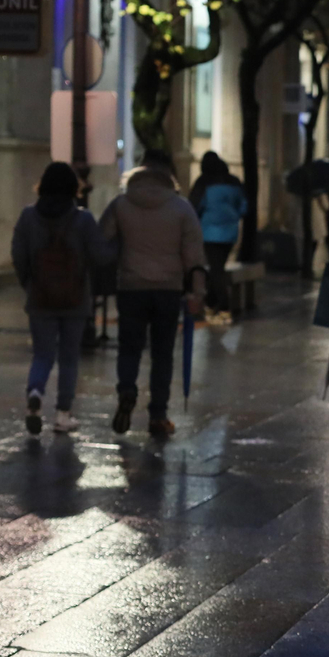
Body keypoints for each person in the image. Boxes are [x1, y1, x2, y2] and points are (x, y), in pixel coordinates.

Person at [101, 148, 207, 439]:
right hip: (168, 291)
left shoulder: (121, 204)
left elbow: (102, 241)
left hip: (131, 287)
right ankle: (158, 416)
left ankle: (126, 391)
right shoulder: (182, 208)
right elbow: (194, 256)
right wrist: (197, 293)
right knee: (162, 354)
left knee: (129, 347)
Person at [10, 161, 115, 435]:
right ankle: (63, 414)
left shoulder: (28, 217)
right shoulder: (83, 220)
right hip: (75, 298)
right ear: (73, 188)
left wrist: (30, 284)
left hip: (40, 297)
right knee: (69, 357)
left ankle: (35, 393)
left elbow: (18, 256)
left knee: (42, 354)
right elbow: (101, 257)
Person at [188, 151, 245, 327]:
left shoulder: (203, 183)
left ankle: (225, 310)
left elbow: (194, 206)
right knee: (216, 268)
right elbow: (244, 205)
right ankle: (211, 305)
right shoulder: (234, 182)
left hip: (210, 233)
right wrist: (234, 216)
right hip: (229, 233)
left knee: (216, 271)